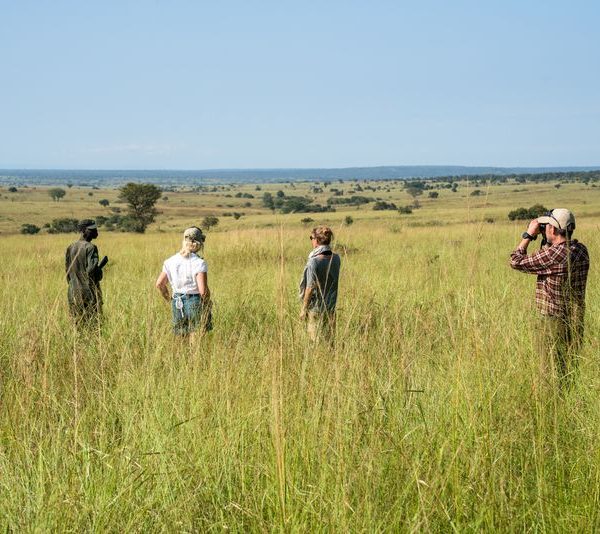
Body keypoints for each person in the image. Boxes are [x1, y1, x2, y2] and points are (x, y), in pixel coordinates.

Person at [510, 208, 589, 386]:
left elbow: (515, 261)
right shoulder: (581, 250)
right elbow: (551, 258)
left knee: (550, 371)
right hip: (576, 317)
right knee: (570, 367)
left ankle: (553, 406)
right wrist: (547, 241)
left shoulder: (554, 255)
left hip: (553, 321)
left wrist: (528, 235)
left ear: (552, 229)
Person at [155, 226, 211, 338]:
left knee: (181, 338)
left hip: (177, 302)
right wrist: (207, 303)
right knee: (196, 336)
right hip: (195, 301)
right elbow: (203, 291)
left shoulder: (170, 261)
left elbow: (160, 284)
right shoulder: (199, 263)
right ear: (199, 243)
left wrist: (170, 300)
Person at [299, 225, 341, 343]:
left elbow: (310, 288)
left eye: (311, 238)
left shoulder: (314, 261)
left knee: (314, 341)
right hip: (331, 307)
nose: (311, 241)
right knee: (330, 340)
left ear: (316, 240)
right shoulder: (337, 258)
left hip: (316, 307)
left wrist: (303, 309)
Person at [65, 219, 108, 326]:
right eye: (92, 230)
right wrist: (99, 272)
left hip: (72, 291)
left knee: (77, 324)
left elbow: (68, 272)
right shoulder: (91, 247)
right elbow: (92, 271)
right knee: (94, 325)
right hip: (89, 292)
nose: (96, 232)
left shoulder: (71, 246)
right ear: (83, 231)